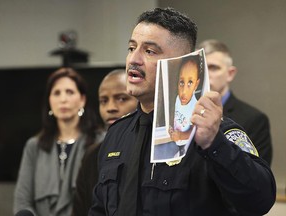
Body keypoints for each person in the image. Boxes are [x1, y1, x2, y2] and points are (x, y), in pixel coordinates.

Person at [88, 7, 276, 216]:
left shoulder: (214, 132)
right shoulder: (117, 132)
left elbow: (260, 200)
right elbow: (99, 208)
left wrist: (214, 145)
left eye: (149, 51)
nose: (134, 59)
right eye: (132, 48)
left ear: (184, 63)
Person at [13, 68, 102, 216]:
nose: (63, 99)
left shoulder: (100, 141)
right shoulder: (34, 146)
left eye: (69, 92)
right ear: (49, 100)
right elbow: (22, 200)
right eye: (56, 93)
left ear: (82, 99)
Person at [71, 69, 138, 216]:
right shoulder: (92, 155)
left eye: (121, 98)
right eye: (104, 101)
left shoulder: (153, 150)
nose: (110, 108)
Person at [198, 39, 273, 165]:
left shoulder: (254, 120)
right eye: (200, 67)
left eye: (213, 68)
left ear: (230, 74)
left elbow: (258, 179)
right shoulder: (180, 115)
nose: (205, 73)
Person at [154, 56, 201, 160]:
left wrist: (181, 135)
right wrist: (172, 129)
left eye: (190, 83)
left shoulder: (196, 106)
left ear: (196, 84)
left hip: (189, 148)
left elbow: (194, 130)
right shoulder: (177, 99)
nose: (183, 92)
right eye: (181, 82)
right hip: (176, 143)